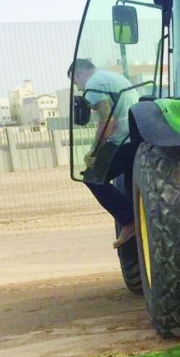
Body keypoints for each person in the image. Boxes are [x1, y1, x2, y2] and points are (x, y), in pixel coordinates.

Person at [69, 59, 140, 248]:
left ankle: (129, 221)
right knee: (130, 187)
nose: (79, 89)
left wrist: (94, 151)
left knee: (92, 178)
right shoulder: (111, 76)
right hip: (135, 137)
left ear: (79, 74)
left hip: (122, 141)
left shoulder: (94, 84)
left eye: (76, 83)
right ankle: (139, 219)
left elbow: (107, 122)